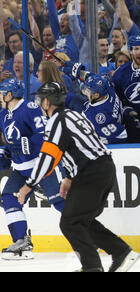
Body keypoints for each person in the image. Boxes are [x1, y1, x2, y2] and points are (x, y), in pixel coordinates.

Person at [16, 81, 139, 272]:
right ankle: (121, 252)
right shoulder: (74, 115)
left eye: (41, 99)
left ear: (48, 102)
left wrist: (28, 185)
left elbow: (48, 158)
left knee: (70, 222)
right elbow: (79, 148)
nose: (39, 104)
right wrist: (69, 177)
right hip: (102, 169)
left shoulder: (56, 121)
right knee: (81, 220)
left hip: (91, 173)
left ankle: (92, 267)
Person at [0, 78, 65, 260]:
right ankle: (21, 241)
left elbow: (44, 133)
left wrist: (29, 143)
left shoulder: (29, 108)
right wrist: (4, 153)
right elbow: (10, 141)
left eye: (1, 93)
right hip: (21, 168)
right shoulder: (3, 114)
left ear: (10, 94)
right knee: (8, 198)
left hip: (40, 165)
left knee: (58, 201)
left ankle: (89, 231)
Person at [81, 73, 128, 144]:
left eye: (88, 91)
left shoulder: (97, 115)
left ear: (96, 95)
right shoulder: (109, 90)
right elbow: (100, 79)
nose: (85, 92)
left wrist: (104, 140)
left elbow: (122, 135)